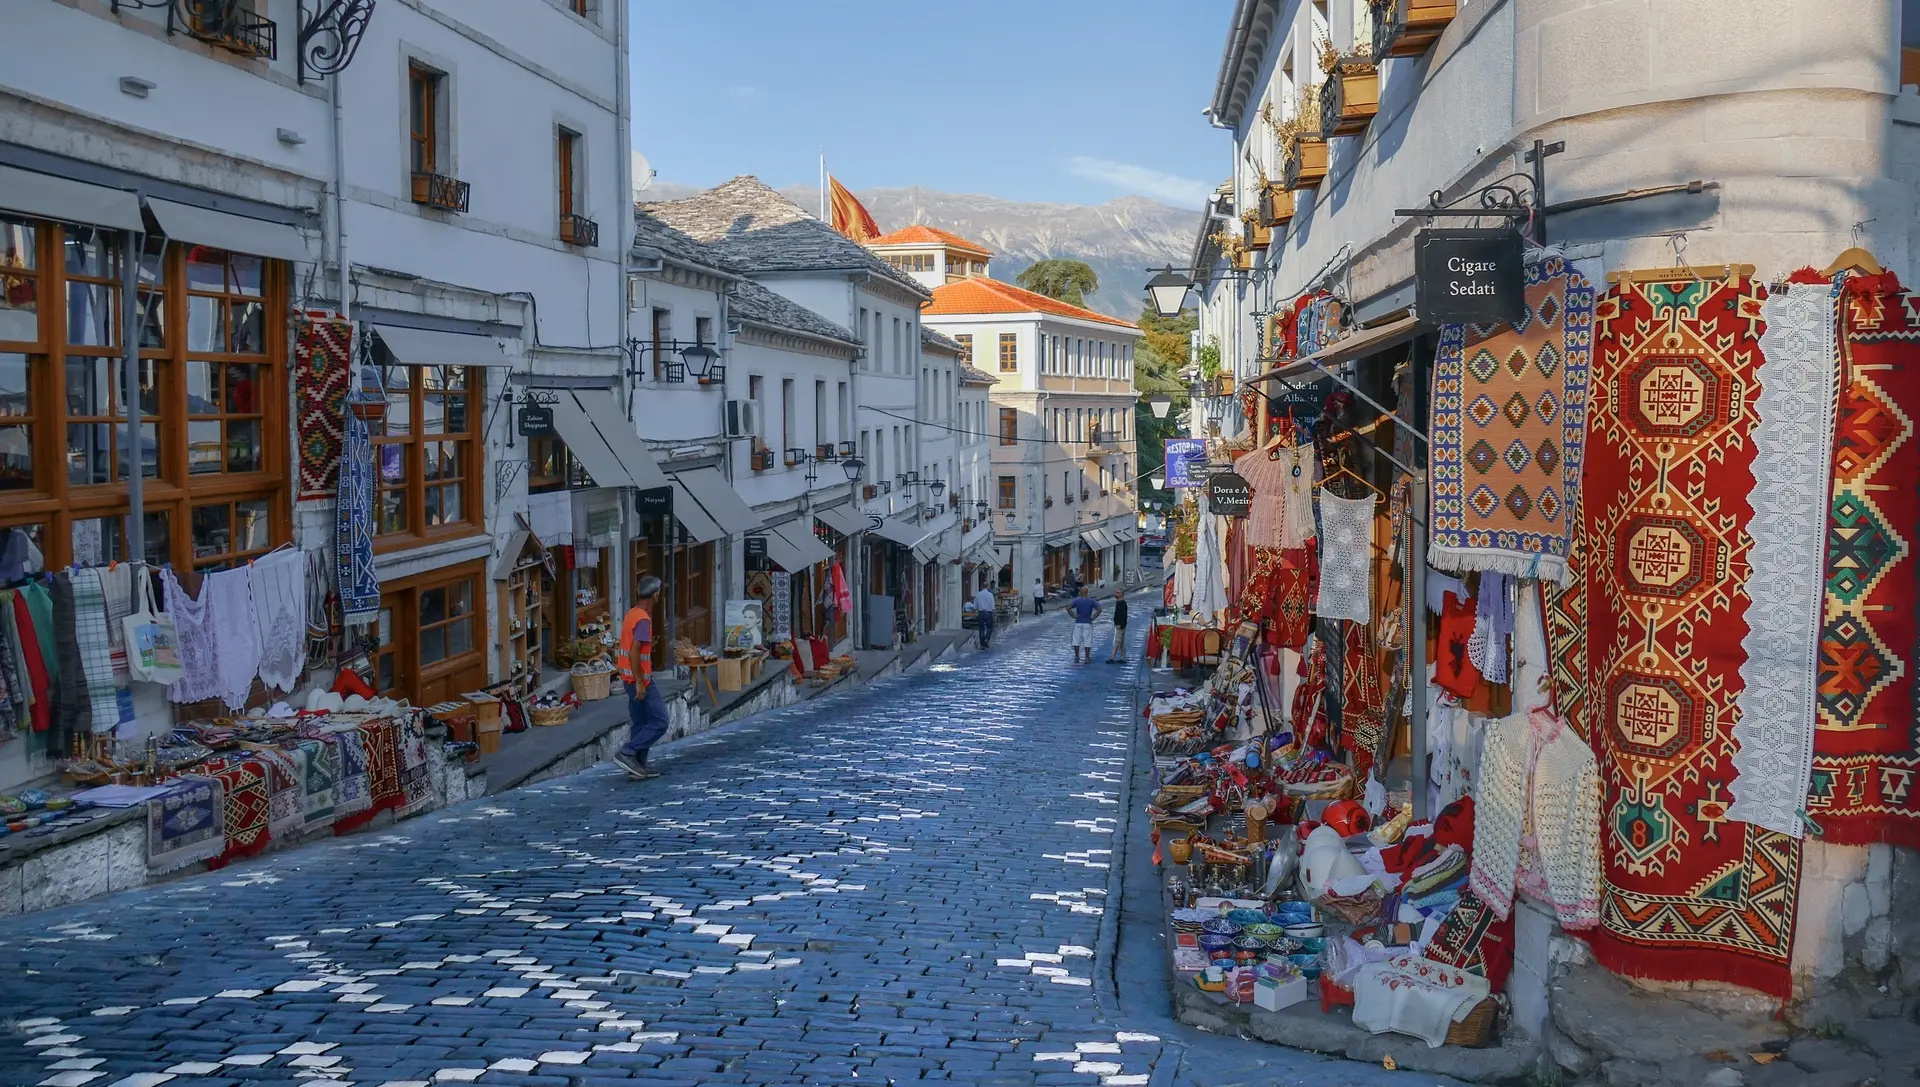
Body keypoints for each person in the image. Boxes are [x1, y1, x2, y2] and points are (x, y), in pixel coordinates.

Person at [611, 576, 670, 780]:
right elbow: (635, 652)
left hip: (628, 678)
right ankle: (628, 752)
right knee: (661, 721)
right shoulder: (643, 619)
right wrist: (640, 682)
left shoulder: (632, 614)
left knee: (641, 721)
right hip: (640, 680)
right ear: (655, 595)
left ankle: (637, 764)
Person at [1067, 586, 1101, 663]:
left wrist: (1073, 615)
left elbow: (1068, 608)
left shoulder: (1077, 600)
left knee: (1076, 640)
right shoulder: (1091, 601)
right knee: (1087, 640)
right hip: (1087, 622)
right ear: (1087, 592)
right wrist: (1093, 617)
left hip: (1078, 622)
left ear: (1080, 593)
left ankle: (1076, 656)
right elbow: (1099, 609)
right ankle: (1087, 658)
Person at [972, 585, 998, 649]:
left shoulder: (978, 594)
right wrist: (994, 614)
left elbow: (974, 606)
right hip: (988, 613)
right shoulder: (990, 595)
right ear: (987, 587)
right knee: (989, 628)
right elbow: (992, 606)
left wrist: (974, 612)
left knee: (981, 629)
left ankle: (982, 644)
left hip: (981, 613)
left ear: (982, 587)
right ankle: (986, 639)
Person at [1106, 596, 1130, 664]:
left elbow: (1122, 614)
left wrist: (1120, 624)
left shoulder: (1121, 603)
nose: (1115, 594)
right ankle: (1123, 658)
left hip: (1120, 625)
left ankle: (1112, 658)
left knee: (1117, 641)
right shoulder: (1121, 603)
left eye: (1116, 592)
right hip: (1121, 625)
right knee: (1121, 642)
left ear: (1120, 594)